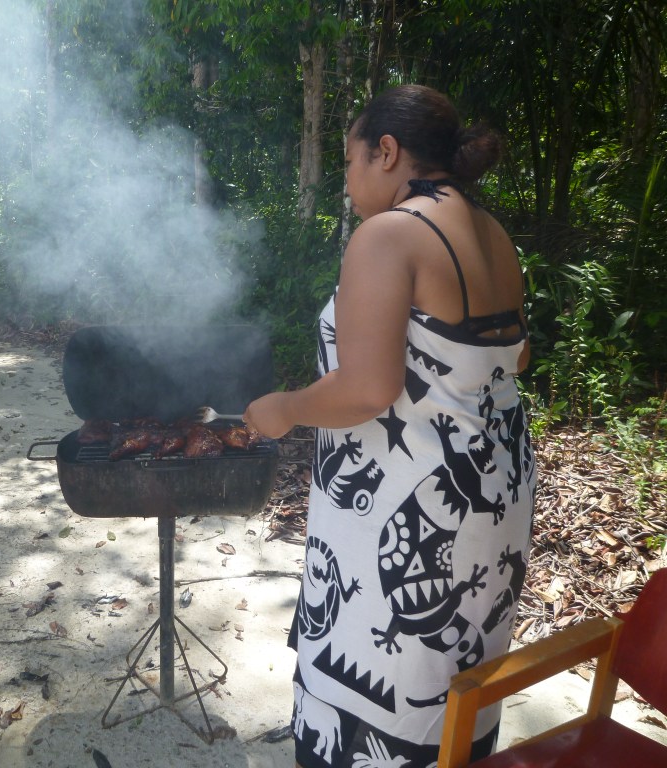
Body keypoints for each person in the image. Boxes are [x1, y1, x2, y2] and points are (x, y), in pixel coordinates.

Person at [244, 85, 536, 768]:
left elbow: (367, 389)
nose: (347, 182)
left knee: (382, 687)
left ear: (386, 151)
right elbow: (513, 357)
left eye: (349, 161)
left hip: (411, 500)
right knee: (456, 681)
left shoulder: (390, 234)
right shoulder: (491, 233)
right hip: (492, 492)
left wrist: (284, 408)